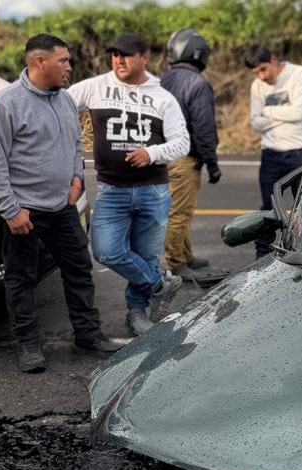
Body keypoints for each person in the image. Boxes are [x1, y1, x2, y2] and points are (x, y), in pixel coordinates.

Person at [0, 34, 120, 373]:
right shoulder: (6, 105)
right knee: (21, 278)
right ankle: (28, 345)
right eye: (64, 61)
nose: (70, 67)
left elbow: (74, 141)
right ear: (39, 62)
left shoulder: (65, 100)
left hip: (61, 207)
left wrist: (75, 178)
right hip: (23, 212)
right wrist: (9, 209)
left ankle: (88, 334)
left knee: (78, 270)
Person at [67, 33, 189, 336]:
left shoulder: (163, 98)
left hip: (153, 191)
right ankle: (160, 284)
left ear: (144, 58)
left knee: (146, 255)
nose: (119, 60)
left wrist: (152, 152)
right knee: (106, 251)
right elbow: (58, 104)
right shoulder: (95, 87)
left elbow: (182, 143)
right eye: (115, 54)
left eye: (127, 55)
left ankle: (136, 313)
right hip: (111, 189)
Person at [160, 27, 222, 280]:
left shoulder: (163, 79)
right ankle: (176, 263)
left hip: (163, 154)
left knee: (179, 209)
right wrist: (212, 162)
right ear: (199, 53)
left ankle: (185, 255)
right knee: (180, 212)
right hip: (184, 157)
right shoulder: (198, 83)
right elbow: (203, 127)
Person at [245, 44, 302, 259]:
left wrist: (267, 111)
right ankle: (261, 256)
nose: (261, 76)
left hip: (300, 152)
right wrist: (281, 115)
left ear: (274, 60)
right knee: (268, 209)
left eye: (263, 69)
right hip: (271, 155)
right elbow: (255, 122)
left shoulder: (299, 74)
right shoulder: (257, 85)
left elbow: (299, 113)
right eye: (256, 72)